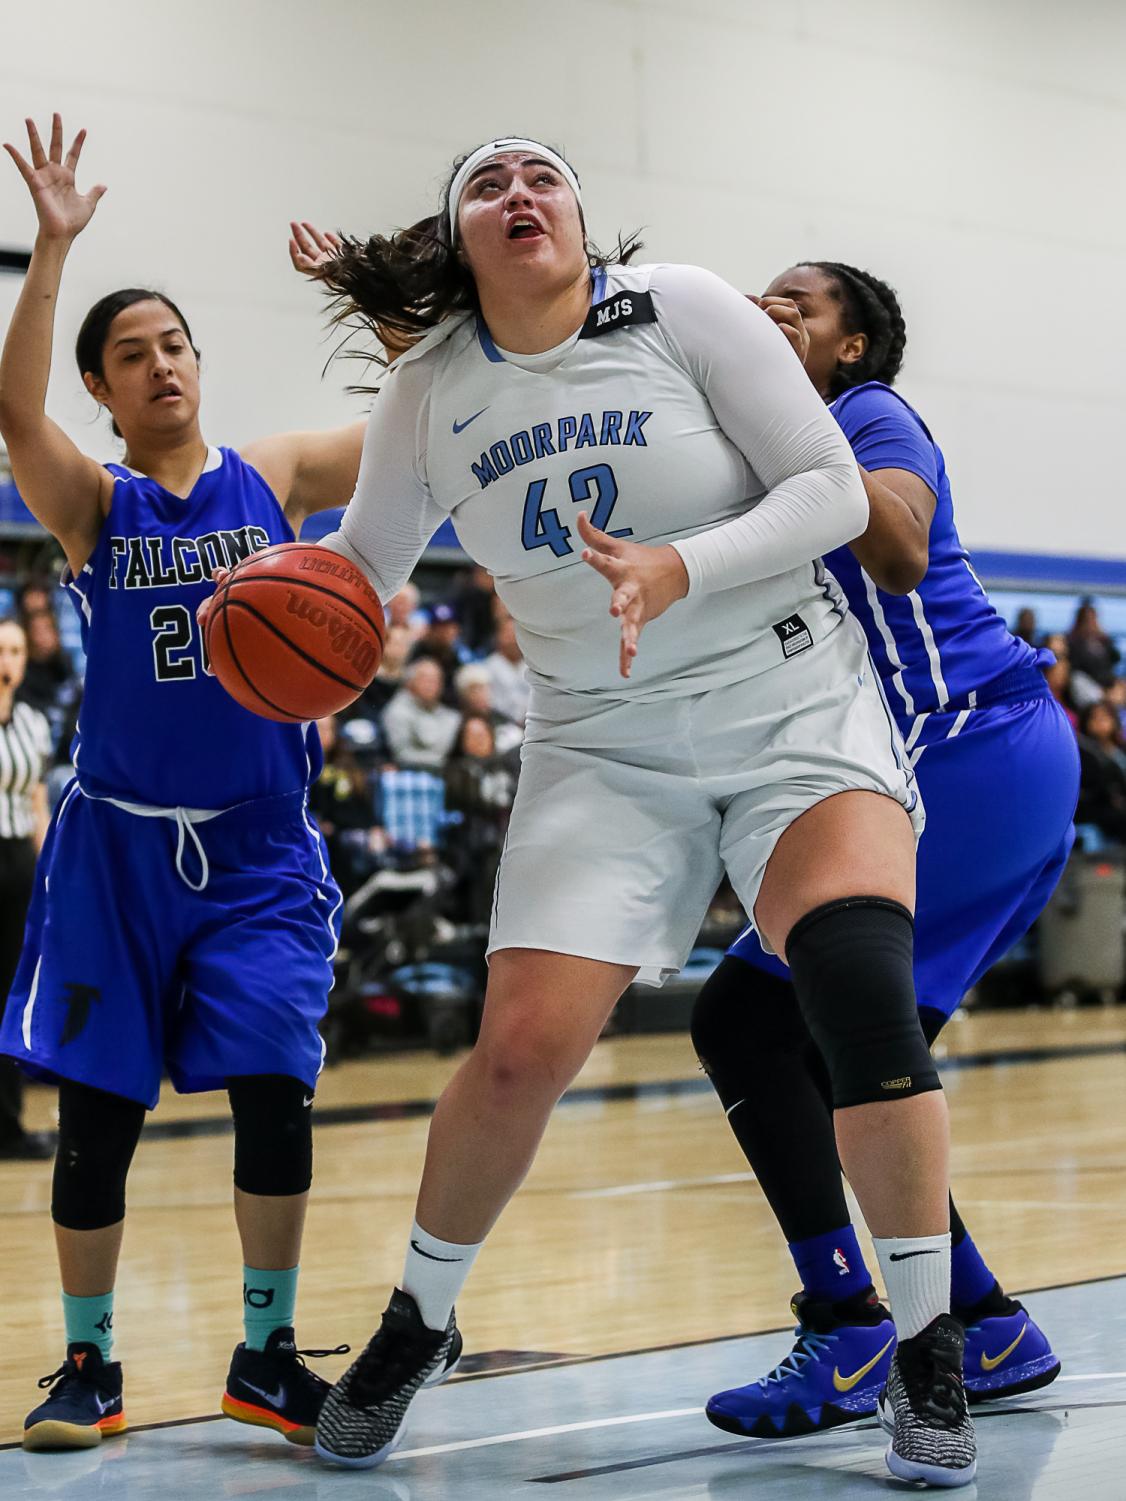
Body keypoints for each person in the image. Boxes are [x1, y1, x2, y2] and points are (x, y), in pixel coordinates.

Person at [307, 137, 974, 1487]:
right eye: (488, 185)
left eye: (541, 177)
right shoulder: (431, 387)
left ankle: (923, 1347)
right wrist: (284, 596)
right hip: (598, 740)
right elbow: (364, 563)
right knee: (515, 1056)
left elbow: (831, 488)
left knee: (854, 987)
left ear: (576, 219)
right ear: (462, 243)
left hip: (783, 697)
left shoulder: (680, 306)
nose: (520, 195)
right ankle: (418, 1322)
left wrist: (682, 561)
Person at [0, 115, 363, 1452]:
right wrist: (52, 250)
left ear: (200, 365)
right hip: (119, 850)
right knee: (100, 1113)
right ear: (103, 388)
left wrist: (364, 301)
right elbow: (8, 409)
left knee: (276, 1086)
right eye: (131, 354)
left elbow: (419, 430)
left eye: (173, 344)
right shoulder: (94, 503)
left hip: (262, 848)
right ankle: (87, 1365)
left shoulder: (275, 478)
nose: (159, 364)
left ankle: (265, 1354)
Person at [688, 264, 1078, 1448]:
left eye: (796, 304)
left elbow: (900, 548)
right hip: (963, 767)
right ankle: (981, 1321)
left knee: (765, 1026)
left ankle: (858, 1322)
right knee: (811, 1043)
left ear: (852, 346)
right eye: (754, 297)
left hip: (967, 740)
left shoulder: (865, 416)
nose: (767, 308)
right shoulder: (745, 464)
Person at [0, 615, 53, 1160]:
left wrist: (48, 875)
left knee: (7, 997)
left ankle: (8, 1125)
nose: (7, 660)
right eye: (0, 650)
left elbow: (37, 804)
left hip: (18, 864)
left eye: (16, 651)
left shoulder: (34, 723)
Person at [381, 658, 461, 769]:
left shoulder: (452, 717)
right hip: (408, 774)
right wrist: (440, 762)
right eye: (425, 679)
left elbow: (444, 749)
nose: (431, 685)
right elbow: (402, 754)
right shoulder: (396, 710)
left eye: (436, 680)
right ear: (410, 682)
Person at [1075, 699, 1126, 844]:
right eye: (1095, 718)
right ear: (1086, 722)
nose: (1100, 722)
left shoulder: (1121, 750)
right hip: (1099, 806)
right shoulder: (1084, 752)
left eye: (1105, 717)